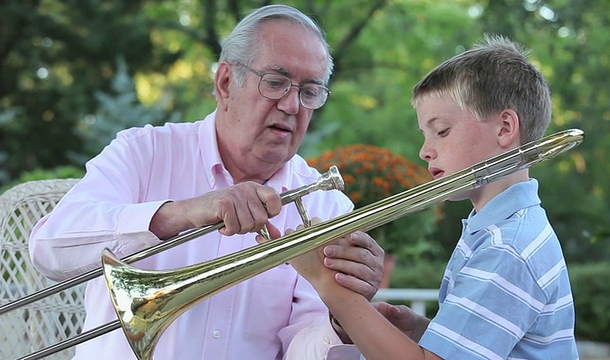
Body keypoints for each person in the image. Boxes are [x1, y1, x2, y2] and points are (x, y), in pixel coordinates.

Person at [29, 4, 385, 359]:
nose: (293, 106)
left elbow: (303, 351)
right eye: (276, 83)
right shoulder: (144, 151)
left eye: (309, 91)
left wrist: (341, 318)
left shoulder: (327, 206)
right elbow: (48, 249)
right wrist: (181, 213)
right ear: (226, 82)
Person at [278, 35, 578, 359]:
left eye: (442, 131)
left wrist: (329, 286)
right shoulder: (495, 230)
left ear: (504, 128)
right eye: (425, 135)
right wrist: (423, 331)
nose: (425, 151)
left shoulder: (507, 247)